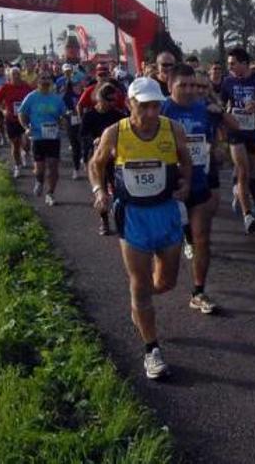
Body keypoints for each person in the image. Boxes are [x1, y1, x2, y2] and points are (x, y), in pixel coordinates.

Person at [90, 77, 192, 379]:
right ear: (129, 104)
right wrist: (100, 191)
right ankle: (152, 350)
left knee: (167, 283)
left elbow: (185, 160)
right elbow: (96, 164)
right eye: (144, 106)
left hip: (166, 213)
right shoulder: (115, 133)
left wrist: (185, 183)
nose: (150, 112)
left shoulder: (172, 129)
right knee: (140, 284)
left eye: (155, 105)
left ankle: (141, 302)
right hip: (132, 214)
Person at [162, 64, 238, 314]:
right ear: (169, 86)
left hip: (199, 183)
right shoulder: (160, 109)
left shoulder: (203, 108)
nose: (188, 90)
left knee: (202, 239)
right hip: (167, 188)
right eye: (182, 85)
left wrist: (217, 141)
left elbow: (234, 127)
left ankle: (198, 291)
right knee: (163, 246)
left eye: (192, 85)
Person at [222, 47, 255, 234]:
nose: (229, 67)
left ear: (244, 63)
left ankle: (251, 200)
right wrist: (225, 116)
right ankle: (247, 214)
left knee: (252, 171)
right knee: (243, 169)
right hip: (235, 131)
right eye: (228, 64)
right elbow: (224, 103)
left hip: (254, 131)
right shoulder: (227, 82)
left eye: (232, 63)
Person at [81, 83, 127, 235]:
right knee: (101, 190)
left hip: (115, 158)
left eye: (115, 100)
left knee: (118, 189)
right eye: (109, 100)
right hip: (97, 158)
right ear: (100, 99)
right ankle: (104, 220)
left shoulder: (119, 116)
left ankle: (121, 219)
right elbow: (83, 135)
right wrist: (94, 140)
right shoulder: (90, 115)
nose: (113, 103)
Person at [18, 70, 67, 207]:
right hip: (38, 136)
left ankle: (50, 193)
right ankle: (39, 181)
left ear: (51, 81)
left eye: (48, 78)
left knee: (53, 166)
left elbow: (63, 115)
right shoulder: (31, 97)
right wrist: (26, 127)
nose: (45, 80)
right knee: (40, 168)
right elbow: (21, 113)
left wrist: (63, 121)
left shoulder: (56, 98)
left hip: (53, 136)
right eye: (43, 78)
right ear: (38, 81)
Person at [0, 67, 34, 178]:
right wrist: (3, 110)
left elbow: (33, 99)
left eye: (18, 74)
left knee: (26, 143)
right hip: (11, 119)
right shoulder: (5, 87)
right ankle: (17, 166)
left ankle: (25, 152)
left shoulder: (26, 86)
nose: (16, 76)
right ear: (10, 76)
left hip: (25, 119)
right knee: (15, 144)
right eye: (14, 75)